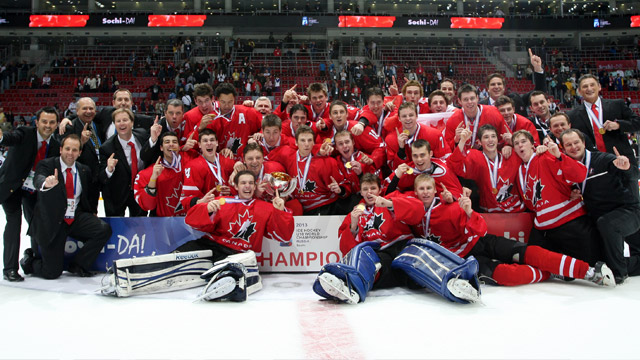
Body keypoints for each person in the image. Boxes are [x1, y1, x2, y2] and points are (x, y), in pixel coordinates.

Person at [409, 174, 614, 287]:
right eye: (421, 189)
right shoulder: (412, 212)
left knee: (528, 252)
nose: (425, 192)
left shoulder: (451, 205)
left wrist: (470, 212)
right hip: (462, 259)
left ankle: (586, 271)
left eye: (429, 188)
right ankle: (549, 273)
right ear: (415, 192)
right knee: (507, 276)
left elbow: (480, 228)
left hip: (480, 241)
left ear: (435, 190)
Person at [313, 174, 480, 304]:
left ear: (379, 189)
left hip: (402, 247)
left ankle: (454, 282)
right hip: (382, 254)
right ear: (361, 192)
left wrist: (389, 203)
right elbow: (346, 247)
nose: (369, 193)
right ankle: (349, 286)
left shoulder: (392, 197)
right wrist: (354, 225)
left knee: (417, 257)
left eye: (373, 188)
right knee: (368, 260)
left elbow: (417, 209)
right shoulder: (355, 213)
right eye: (365, 189)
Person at [20, 134, 111, 279]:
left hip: (74, 217)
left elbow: (91, 193)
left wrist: (92, 211)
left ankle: (78, 264)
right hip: (51, 221)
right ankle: (29, 261)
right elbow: (38, 179)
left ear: (80, 152)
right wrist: (46, 183)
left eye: (75, 150)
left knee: (103, 229)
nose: (70, 153)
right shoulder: (47, 165)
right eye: (67, 149)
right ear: (61, 149)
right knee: (51, 273)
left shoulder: (84, 170)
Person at [560, 129, 640, 284]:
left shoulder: (604, 160)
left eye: (576, 142)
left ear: (583, 143)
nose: (574, 147)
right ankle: (615, 264)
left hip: (627, 211)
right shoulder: (566, 167)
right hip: (600, 217)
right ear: (563, 148)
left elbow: (632, 176)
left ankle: (618, 272)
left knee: (607, 224)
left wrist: (628, 168)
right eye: (568, 144)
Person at [512, 130, 602, 265]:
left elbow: (579, 174)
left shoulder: (545, 156)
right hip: (543, 227)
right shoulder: (520, 170)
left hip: (569, 221)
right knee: (533, 263)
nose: (520, 146)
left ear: (532, 144)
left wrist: (559, 155)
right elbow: (530, 202)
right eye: (516, 143)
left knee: (591, 264)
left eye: (523, 141)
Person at [0, 107, 60, 281]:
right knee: (13, 223)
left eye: (51, 122)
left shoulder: (55, 144)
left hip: (34, 190)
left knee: (36, 224)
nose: (47, 126)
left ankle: (33, 258)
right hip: (12, 187)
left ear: (56, 124)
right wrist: (3, 137)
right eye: (44, 122)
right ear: (37, 122)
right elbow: (12, 137)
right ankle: (10, 268)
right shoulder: (25, 133)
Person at [567, 73, 640, 202]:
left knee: (632, 204)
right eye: (585, 86)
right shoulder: (572, 115)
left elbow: (637, 122)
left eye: (592, 85)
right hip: (595, 168)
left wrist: (619, 125)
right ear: (579, 91)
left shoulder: (617, 105)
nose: (589, 88)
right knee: (604, 207)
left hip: (621, 160)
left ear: (599, 87)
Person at [272, 125, 349, 215]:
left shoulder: (327, 162)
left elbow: (345, 186)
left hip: (324, 206)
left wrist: (340, 190)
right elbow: (264, 159)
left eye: (309, 140)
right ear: (296, 142)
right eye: (302, 140)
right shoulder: (286, 155)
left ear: (314, 142)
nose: (306, 144)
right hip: (300, 207)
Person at [448, 124, 524, 213]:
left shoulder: (511, 155)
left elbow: (530, 154)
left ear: (497, 140)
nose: (490, 140)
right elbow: (454, 165)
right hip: (488, 212)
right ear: (479, 142)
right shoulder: (475, 157)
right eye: (486, 137)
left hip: (516, 210)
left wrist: (512, 143)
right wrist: (462, 141)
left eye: (493, 136)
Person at [98, 108, 149, 217]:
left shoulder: (143, 135)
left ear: (132, 122)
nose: (121, 124)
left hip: (140, 190)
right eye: (118, 121)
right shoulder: (107, 148)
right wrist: (109, 169)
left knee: (140, 227)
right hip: (118, 193)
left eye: (125, 120)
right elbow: (102, 177)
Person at [134, 131, 196, 217]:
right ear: (161, 148)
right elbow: (147, 205)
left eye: (174, 142)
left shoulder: (192, 162)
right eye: (167, 142)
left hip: (191, 219)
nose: (171, 144)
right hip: (163, 223)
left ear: (179, 147)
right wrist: (153, 178)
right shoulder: (150, 172)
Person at [317, 100, 386, 169]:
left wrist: (372, 160)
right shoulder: (325, 132)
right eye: (335, 113)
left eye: (341, 112)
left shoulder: (359, 129)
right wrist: (320, 152)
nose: (338, 115)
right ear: (330, 116)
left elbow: (381, 146)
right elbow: (316, 150)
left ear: (347, 114)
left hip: (364, 170)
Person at [180, 128, 236, 212]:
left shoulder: (228, 161)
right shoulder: (193, 166)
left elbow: (243, 188)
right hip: (206, 212)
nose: (209, 143)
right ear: (199, 144)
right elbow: (186, 199)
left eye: (212, 140)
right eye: (205, 141)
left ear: (217, 143)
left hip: (228, 210)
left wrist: (231, 191)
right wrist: (200, 201)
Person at [383, 139, 463, 198]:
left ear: (430, 154)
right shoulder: (404, 170)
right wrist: (396, 177)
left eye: (422, 155)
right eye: (415, 156)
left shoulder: (444, 170)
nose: (419, 160)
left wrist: (450, 199)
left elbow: (459, 195)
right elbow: (385, 196)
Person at [479, 49, 546, 117]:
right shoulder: (480, 106)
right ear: (488, 88)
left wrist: (538, 69)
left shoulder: (516, 99)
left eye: (499, 84)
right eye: (493, 84)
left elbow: (539, 93)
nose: (496, 87)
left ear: (504, 87)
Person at [385, 102, 451, 170]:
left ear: (416, 116)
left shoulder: (434, 134)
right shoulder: (391, 139)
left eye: (411, 115)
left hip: (429, 176)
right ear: (399, 118)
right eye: (404, 116)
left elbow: (445, 161)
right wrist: (401, 150)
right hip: (405, 177)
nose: (408, 118)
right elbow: (394, 169)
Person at [445, 84, 507, 153]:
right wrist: (456, 140)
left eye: (472, 98)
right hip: (464, 160)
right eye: (465, 99)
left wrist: (508, 145)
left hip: (488, 157)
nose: (470, 102)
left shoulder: (493, 113)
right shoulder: (452, 120)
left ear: (477, 98)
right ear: (459, 101)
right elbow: (447, 150)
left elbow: (505, 136)